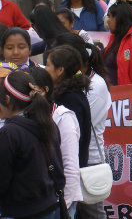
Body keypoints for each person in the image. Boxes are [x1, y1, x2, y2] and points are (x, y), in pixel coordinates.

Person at [52, 34, 112, 218]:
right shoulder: (75, 86)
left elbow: (78, 127)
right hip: (77, 159)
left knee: (92, 214)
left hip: (88, 160)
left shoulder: (93, 86)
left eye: (49, 64)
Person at [0, 69, 65, 219]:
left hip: (22, 212)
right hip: (51, 206)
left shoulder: (9, 133)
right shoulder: (48, 123)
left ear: (7, 100)